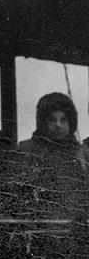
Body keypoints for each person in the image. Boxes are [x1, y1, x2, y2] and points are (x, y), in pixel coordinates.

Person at [16, 91, 89, 219]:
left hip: (75, 226)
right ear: (43, 122)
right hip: (39, 225)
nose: (58, 125)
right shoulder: (27, 151)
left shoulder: (82, 154)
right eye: (52, 119)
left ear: (71, 122)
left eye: (63, 120)